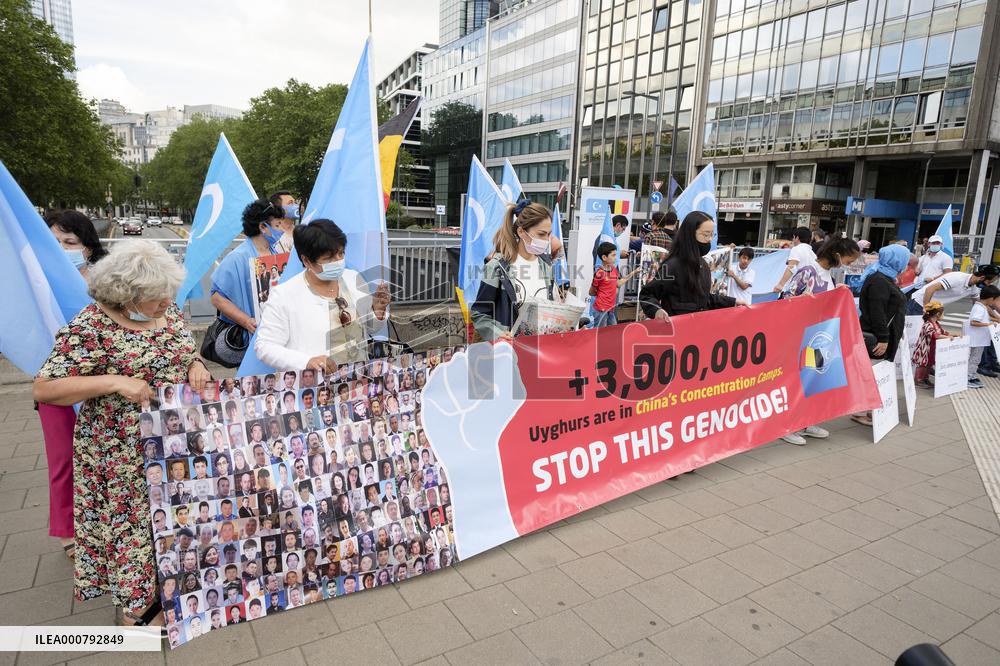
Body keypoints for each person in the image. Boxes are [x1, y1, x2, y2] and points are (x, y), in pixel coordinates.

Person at [32, 240, 211, 628]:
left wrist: (197, 364)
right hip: (120, 449)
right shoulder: (91, 326)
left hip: (175, 439)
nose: (167, 303)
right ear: (126, 294)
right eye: (157, 298)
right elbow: (44, 389)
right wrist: (113, 381)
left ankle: (173, 586)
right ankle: (138, 607)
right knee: (133, 527)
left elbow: (182, 351)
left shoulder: (169, 312)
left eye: (169, 295)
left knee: (173, 517)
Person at [38, 211, 108, 559]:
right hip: (56, 387)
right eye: (53, 242)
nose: (62, 249)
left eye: (70, 242)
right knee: (63, 459)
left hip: (103, 385)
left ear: (86, 248)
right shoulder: (37, 287)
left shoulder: (106, 283)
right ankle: (68, 530)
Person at [255, 220, 390, 370]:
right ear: (306, 260)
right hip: (316, 385)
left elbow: (369, 329)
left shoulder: (353, 279)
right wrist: (306, 362)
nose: (338, 261)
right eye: (329, 258)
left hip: (358, 379)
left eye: (341, 253)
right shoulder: (284, 295)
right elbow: (265, 346)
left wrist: (377, 312)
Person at [471, 201, 557, 341]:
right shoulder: (497, 267)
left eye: (549, 234)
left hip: (542, 351)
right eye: (541, 234)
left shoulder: (546, 265)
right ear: (521, 232)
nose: (547, 240)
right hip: (509, 354)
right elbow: (479, 314)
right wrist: (497, 334)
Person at [210, 199, 288, 344]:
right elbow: (217, 298)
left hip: (277, 331)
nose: (282, 230)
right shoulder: (237, 258)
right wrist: (246, 321)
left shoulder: (275, 252)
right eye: (277, 225)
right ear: (263, 227)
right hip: (252, 335)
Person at [640, 212, 745, 319]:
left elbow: (704, 299)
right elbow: (647, 295)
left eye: (712, 235)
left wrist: (733, 302)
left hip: (698, 329)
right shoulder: (672, 265)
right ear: (690, 234)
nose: (709, 239)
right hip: (675, 330)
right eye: (705, 234)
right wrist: (656, 310)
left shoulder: (703, 265)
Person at [854, 244, 910, 426]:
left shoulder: (884, 277)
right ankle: (861, 412)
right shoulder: (879, 281)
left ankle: (868, 410)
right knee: (871, 374)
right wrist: (884, 338)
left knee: (873, 374)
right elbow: (877, 312)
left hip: (881, 334)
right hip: (876, 337)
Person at [907, 265, 1000, 314]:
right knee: (911, 336)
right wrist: (926, 309)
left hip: (932, 309)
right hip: (919, 303)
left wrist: (996, 317)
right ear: (982, 278)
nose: (988, 285)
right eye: (989, 282)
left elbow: (980, 305)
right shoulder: (958, 278)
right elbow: (930, 289)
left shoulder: (974, 288)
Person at [590, 242, 640, 328]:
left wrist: (634, 272)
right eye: (613, 255)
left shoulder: (613, 270)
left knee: (613, 331)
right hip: (601, 310)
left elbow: (618, 283)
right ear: (604, 257)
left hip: (611, 309)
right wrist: (603, 295)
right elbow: (591, 292)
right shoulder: (599, 274)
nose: (615, 257)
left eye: (615, 255)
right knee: (600, 334)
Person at [911, 301, 957, 389]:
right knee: (923, 365)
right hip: (924, 350)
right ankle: (918, 380)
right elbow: (933, 335)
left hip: (931, 349)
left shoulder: (936, 324)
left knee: (929, 365)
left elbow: (942, 332)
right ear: (937, 314)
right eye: (942, 313)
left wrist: (951, 334)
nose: (943, 315)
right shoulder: (928, 324)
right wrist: (946, 337)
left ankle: (925, 379)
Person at [965, 286, 1000, 389]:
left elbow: (985, 318)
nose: (995, 303)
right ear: (990, 298)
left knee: (976, 359)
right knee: (974, 359)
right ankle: (968, 378)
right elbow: (974, 322)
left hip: (980, 340)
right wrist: (989, 324)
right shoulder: (979, 308)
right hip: (977, 340)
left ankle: (971, 375)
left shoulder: (982, 306)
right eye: (996, 300)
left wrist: (994, 320)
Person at [772, 227, 815, 294]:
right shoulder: (813, 254)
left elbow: (791, 267)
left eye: (793, 237)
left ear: (797, 238)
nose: (792, 240)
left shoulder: (796, 249)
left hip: (793, 289)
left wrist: (780, 285)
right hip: (806, 290)